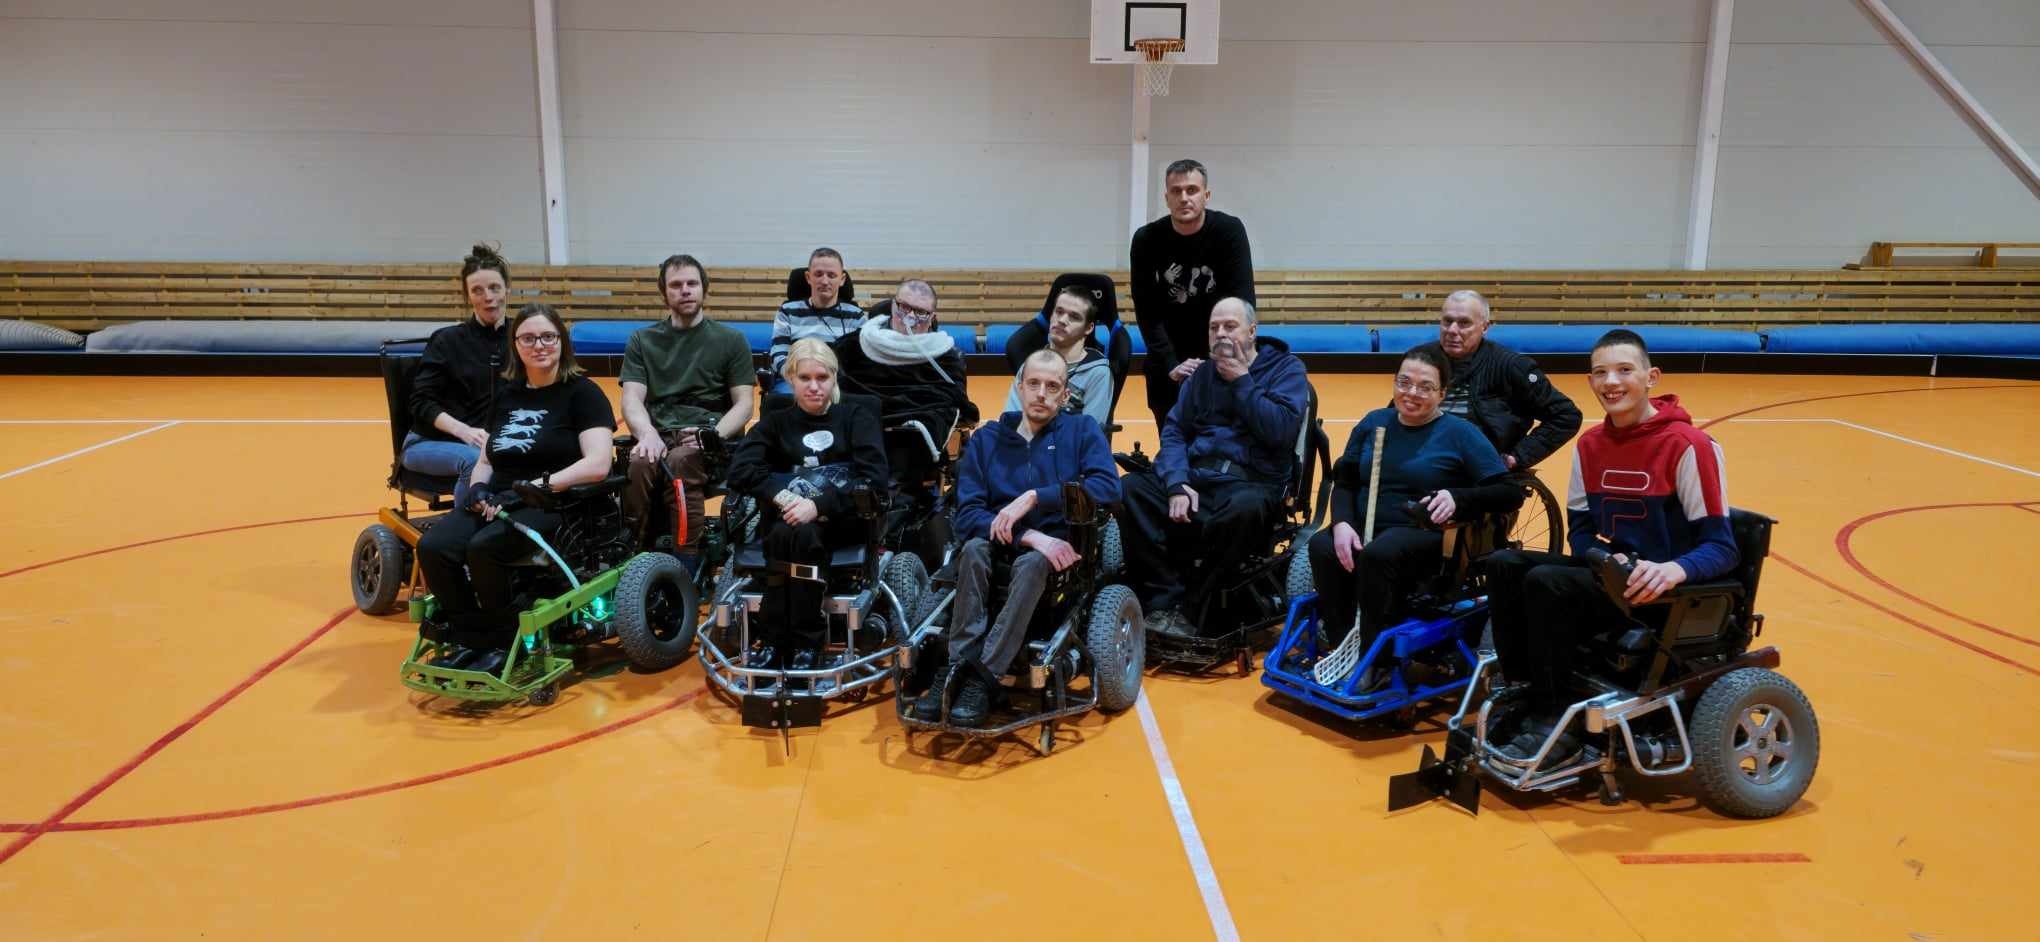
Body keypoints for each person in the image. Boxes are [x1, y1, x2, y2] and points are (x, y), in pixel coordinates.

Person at [1485, 330, 1737, 764]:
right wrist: (1601, 556)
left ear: (1651, 377)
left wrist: (1672, 570)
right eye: (1600, 373)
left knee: (1547, 582)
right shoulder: (1590, 445)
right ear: (1590, 382)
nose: (1611, 382)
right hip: (1616, 579)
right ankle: (1526, 688)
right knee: (1504, 563)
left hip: (1665, 591)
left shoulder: (1689, 446)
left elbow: (1722, 547)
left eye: (1624, 370)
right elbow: (1581, 531)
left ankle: (1556, 717)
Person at [915, 350, 1121, 726]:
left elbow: (1108, 487)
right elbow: (968, 516)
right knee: (973, 549)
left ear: (1065, 395)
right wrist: (1029, 536)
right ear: (1020, 387)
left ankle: (984, 676)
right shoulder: (987, 440)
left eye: (1052, 386)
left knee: (1033, 563)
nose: (1041, 393)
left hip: (1056, 548)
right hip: (1003, 541)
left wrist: (1037, 497)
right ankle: (958, 664)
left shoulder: (1082, 431)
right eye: (1034, 384)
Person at [415, 304, 617, 674]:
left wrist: (533, 487)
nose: (539, 345)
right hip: (500, 499)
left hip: (553, 501)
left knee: (484, 548)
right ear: (516, 346)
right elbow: (487, 459)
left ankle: (504, 642)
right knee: (434, 546)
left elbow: (598, 463)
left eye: (548, 337)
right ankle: (470, 638)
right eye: (528, 338)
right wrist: (478, 489)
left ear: (562, 342)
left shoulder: (583, 394)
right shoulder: (508, 395)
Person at [1308, 346, 1523, 687]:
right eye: (1404, 382)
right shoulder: (1373, 422)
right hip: (1366, 525)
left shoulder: (1461, 433)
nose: (1411, 393)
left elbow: (1509, 493)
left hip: (1425, 534)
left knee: (1380, 553)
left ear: (1442, 394)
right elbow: (1345, 480)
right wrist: (1343, 523)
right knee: (1322, 546)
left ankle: (1377, 662)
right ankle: (1343, 642)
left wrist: (1458, 498)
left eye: (1425, 387)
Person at [1115, 298, 1307, 636]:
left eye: (1230, 326)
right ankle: (1163, 600)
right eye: (1214, 327)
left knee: (1243, 510)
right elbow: (1174, 432)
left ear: (1252, 331)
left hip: (1251, 483)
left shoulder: (1286, 369)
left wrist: (1242, 381)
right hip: (1197, 479)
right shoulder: (1201, 374)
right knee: (1131, 489)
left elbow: (1280, 431)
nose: (1221, 333)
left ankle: (1194, 609)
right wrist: (1177, 483)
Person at [726, 339, 889, 672]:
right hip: (786, 519)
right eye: (805, 378)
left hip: (842, 521)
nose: (814, 386)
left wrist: (819, 505)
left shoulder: (856, 417)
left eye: (822, 377)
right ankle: (777, 640)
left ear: (834, 377)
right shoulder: (776, 422)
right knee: (785, 534)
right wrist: (784, 496)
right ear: (791, 378)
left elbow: (874, 479)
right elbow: (740, 470)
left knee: (797, 535)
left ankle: (803, 642)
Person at [620, 254, 755, 563]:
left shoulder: (731, 340)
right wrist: (646, 433)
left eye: (692, 283)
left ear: (704, 288)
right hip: (659, 432)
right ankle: (634, 552)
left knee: (681, 461)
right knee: (638, 462)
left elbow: (745, 404)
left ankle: (686, 560)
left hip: (707, 437)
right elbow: (631, 399)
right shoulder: (642, 340)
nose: (685, 290)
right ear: (664, 292)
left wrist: (713, 434)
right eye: (676, 285)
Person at [1129, 158, 1256, 429]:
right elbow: (1147, 311)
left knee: (1219, 440)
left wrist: (1218, 361)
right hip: (1168, 357)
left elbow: (1242, 303)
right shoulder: (1146, 239)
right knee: (1173, 440)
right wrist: (1170, 364)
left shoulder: (1229, 232)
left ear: (1206, 195)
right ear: (1166, 198)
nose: (1184, 198)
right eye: (1176, 191)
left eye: (1192, 190)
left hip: (1221, 350)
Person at [1415, 289, 1581, 470]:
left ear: (1485, 327)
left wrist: (1517, 458)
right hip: (1421, 461)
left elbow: (1566, 415)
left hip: (1479, 469)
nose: (1452, 330)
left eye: (1464, 323)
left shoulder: (1511, 367)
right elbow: (1399, 410)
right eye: (1447, 321)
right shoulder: (1420, 359)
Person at [404, 243, 510, 507]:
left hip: (493, 442)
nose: (488, 297)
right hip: (431, 442)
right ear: (467, 296)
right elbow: (421, 403)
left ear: (507, 289)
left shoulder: (521, 337)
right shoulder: (447, 341)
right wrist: (466, 432)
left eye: (494, 288)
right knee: (476, 461)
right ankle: (462, 528)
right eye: (477, 290)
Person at [833, 278, 978, 434]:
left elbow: (955, 402)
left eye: (921, 312)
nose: (911, 317)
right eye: (904, 307)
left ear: (932, 317)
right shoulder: (853, 345)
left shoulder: (947, 358)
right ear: (893, 306)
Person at [1000, 286, 1114, 426]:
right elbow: (1010, 421)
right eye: (1059, 312)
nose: (1062, 320)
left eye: (1074, 317)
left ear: (1088, 328)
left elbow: (1090, 431)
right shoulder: (1031, 364)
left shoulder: (1097, 373)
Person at [767, 247, 862, 394]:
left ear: (842, 279)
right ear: (808, 277)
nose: (824, 281)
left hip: (840, 384)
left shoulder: (856, 316)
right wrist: (799, 379)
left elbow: (860, 362)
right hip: (797, 382)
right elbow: (779, 353)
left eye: (831, 275)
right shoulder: (787, 311)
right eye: (818, 274)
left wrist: (829, 382)